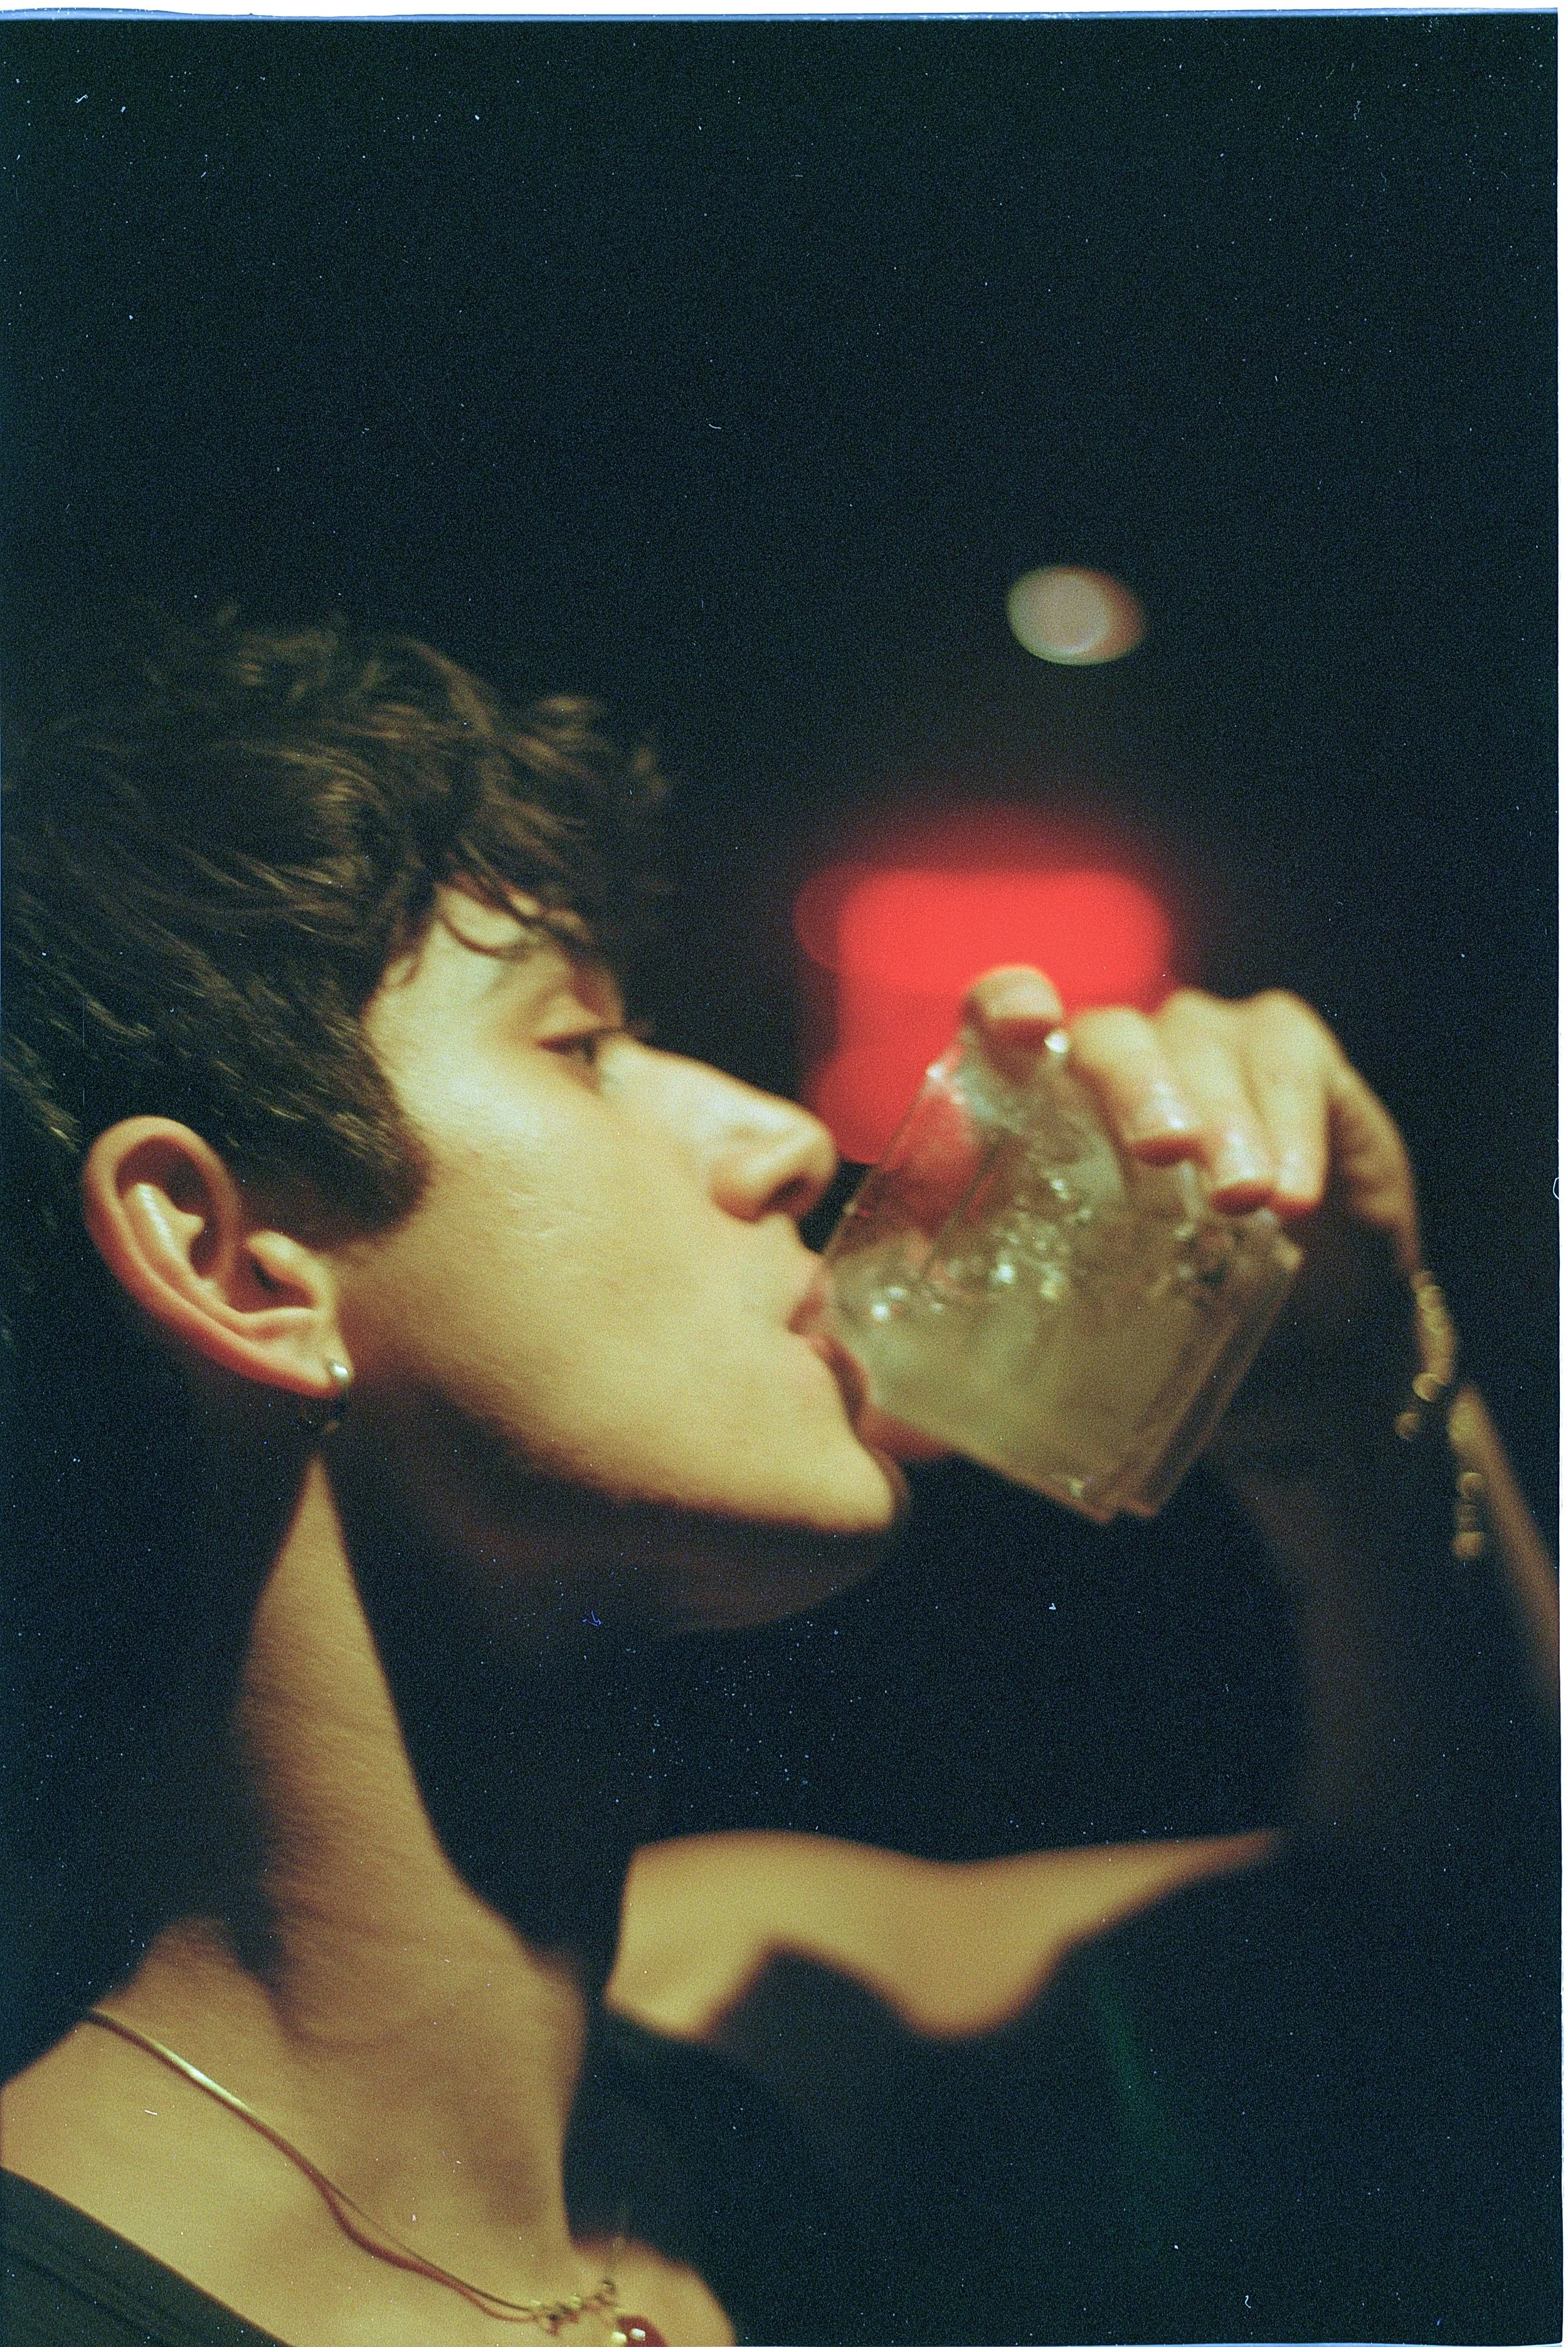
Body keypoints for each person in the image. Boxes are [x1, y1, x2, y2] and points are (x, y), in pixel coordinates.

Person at [0, 612, 1555, 2346]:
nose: (787, 1135)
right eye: (574, 1047)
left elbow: (1468, 1958)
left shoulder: (745, 2006)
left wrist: (1358, 1389)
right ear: (232, 1262)